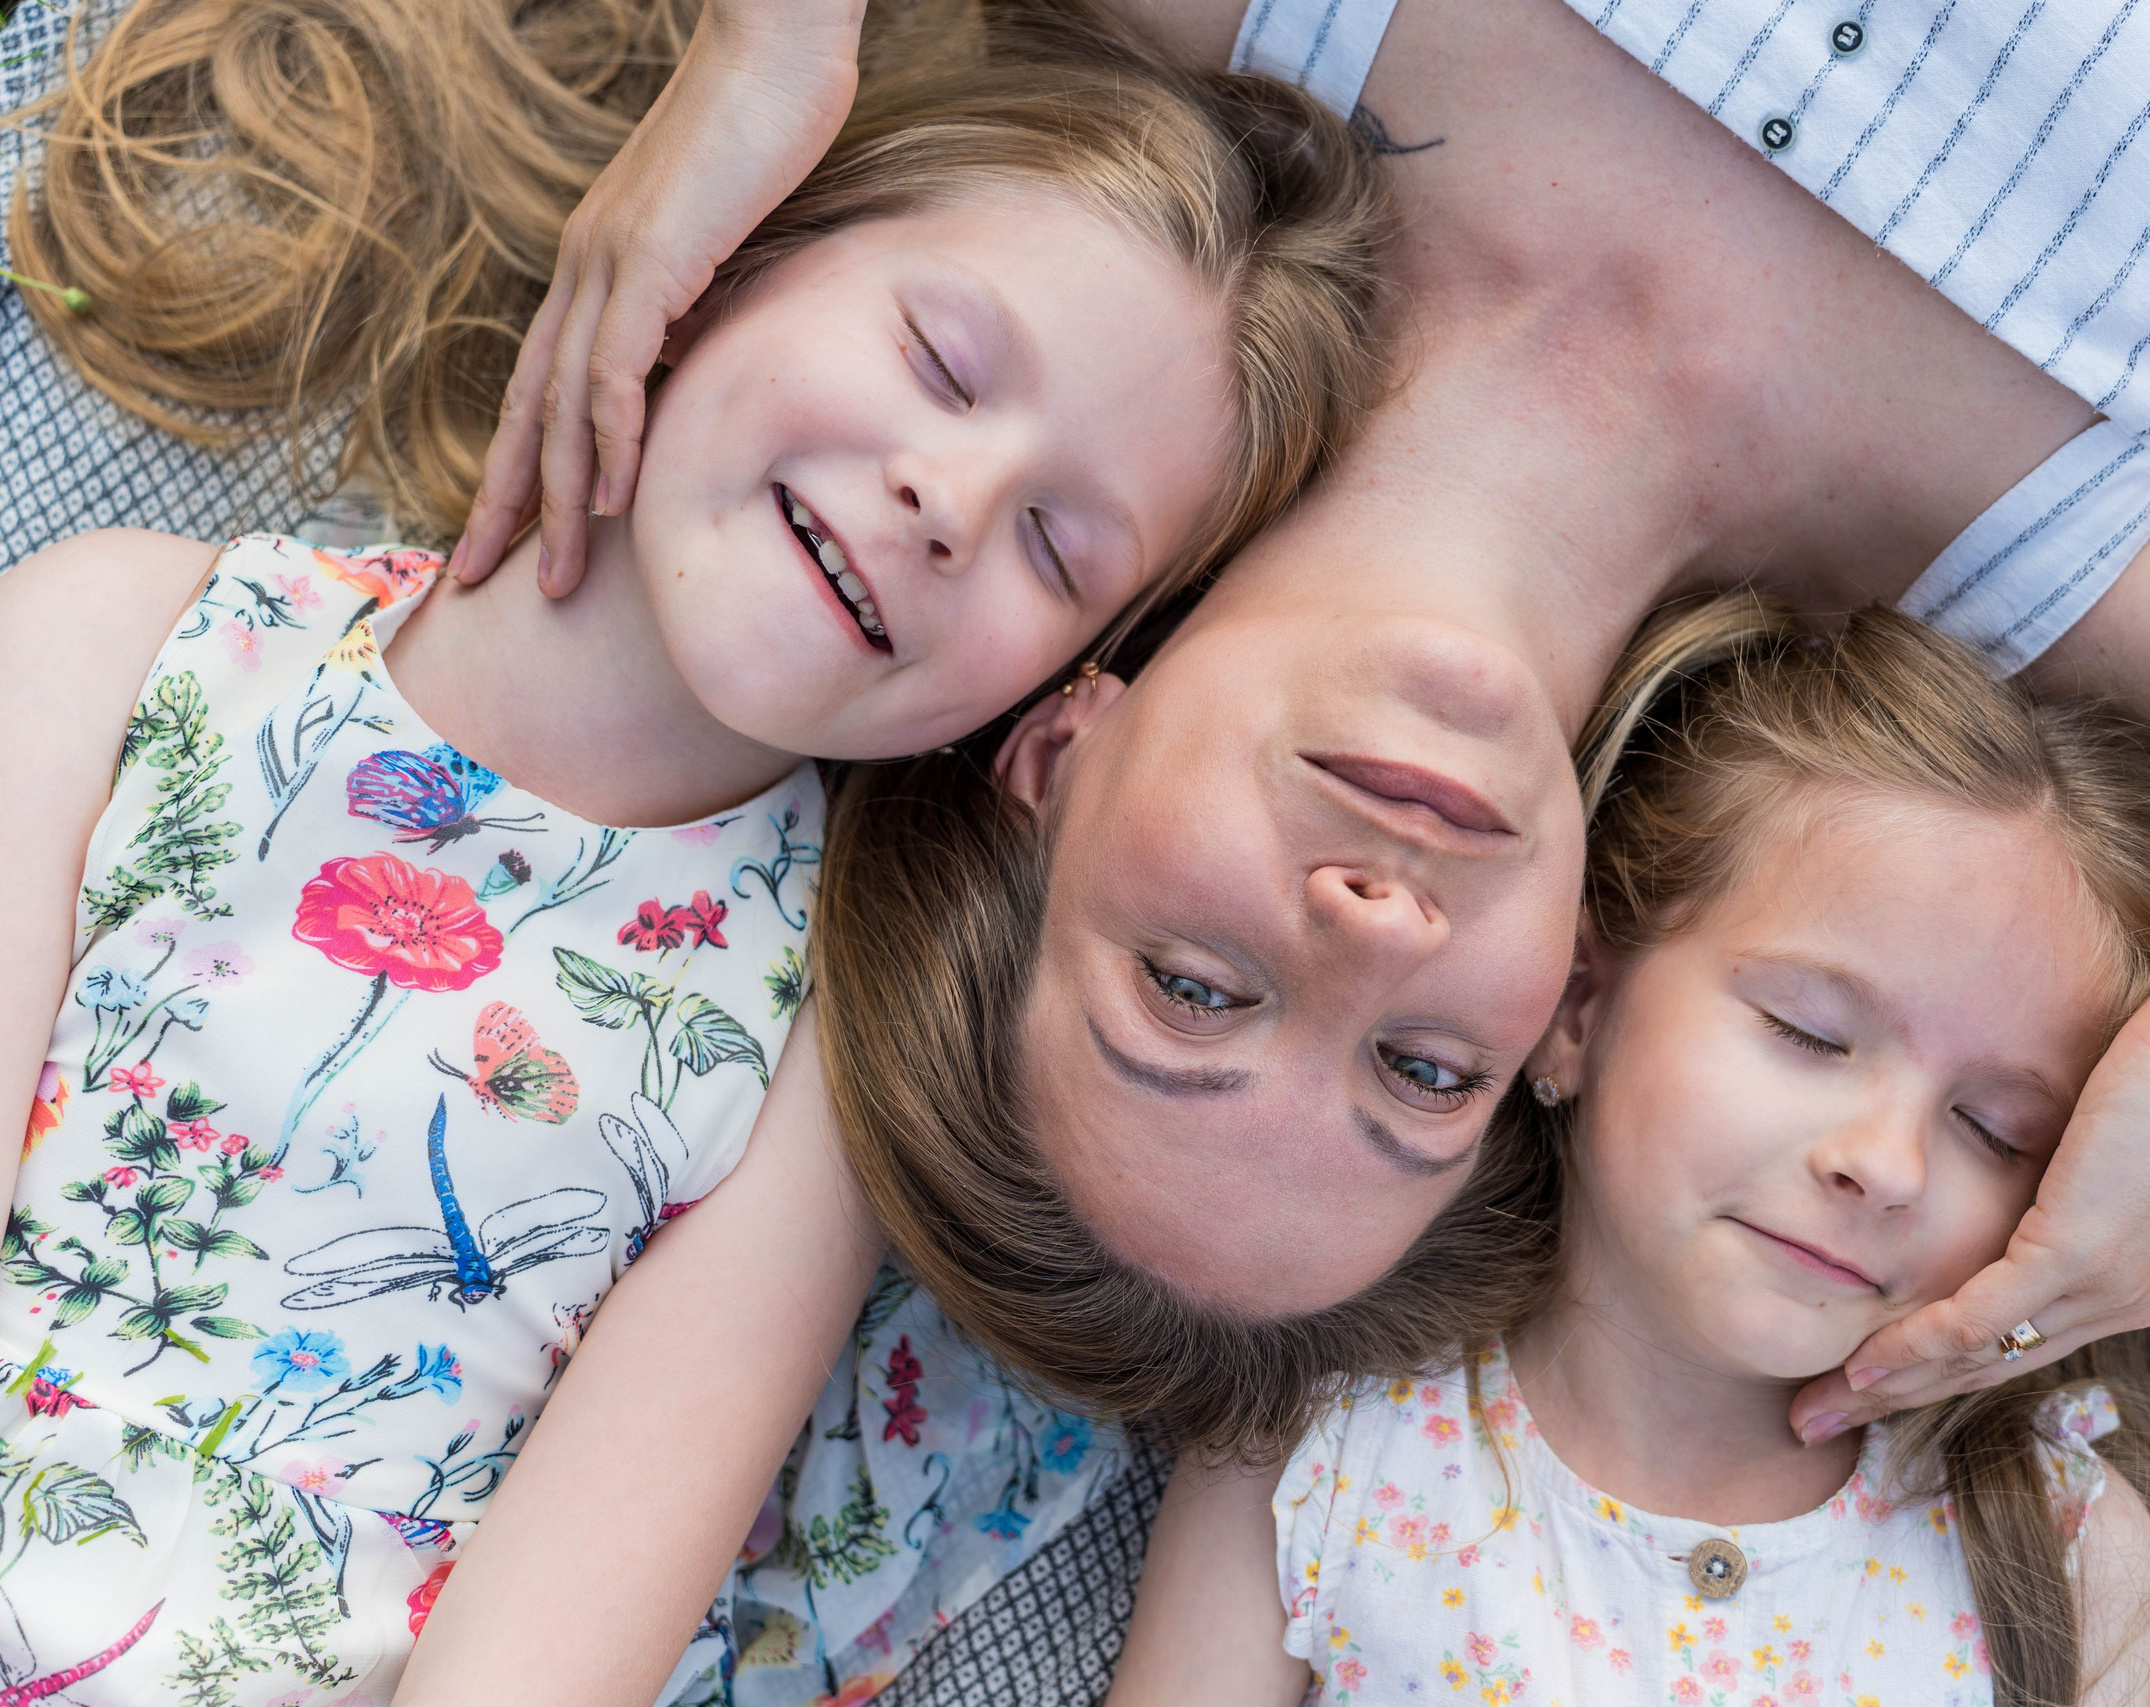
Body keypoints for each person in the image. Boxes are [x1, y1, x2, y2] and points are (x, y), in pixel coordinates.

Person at [486, 0, 2150, 1447]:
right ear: (1557, 999)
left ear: (1051, 753)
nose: (1374, 920)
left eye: (1194, 984)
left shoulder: (1223, 61)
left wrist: (768, 42)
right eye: (1416, 1061)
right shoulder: (2097, 595)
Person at [0, 0, 1392, 1695]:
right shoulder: (124, 640)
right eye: (943, 363)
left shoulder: (805, 1058)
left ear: (1047, 697)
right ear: (730, 247)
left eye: (1057, 542)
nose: (952, 500)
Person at [1104, 598, 2150, 1707]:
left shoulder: (2056, 1543)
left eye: (1996, 1128)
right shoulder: (1317, 1447)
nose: (1887, 1162)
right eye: (1808, 1030)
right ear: (1575, 1009)